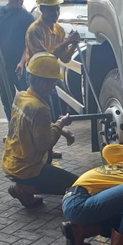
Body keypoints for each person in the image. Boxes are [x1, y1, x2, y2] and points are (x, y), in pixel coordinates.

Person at [2, 52, 78, 208]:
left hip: (12, 162)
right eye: (53, 82)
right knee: (78, 186)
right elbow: (45, 144)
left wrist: (60, 129)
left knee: (50, 158)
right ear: (43, 82)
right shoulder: (40, 108)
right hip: (26, 169)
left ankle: (24, 188)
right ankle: (24, 189)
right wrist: (61, 123)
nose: (54, 86)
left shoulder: (22, 96)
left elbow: (34, 127)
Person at [25, 0, 80, 157]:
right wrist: (66, 43)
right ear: (42, 9)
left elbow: (65, 59)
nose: (55, 14)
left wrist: (73, 45)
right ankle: (44, 151)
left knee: (55, 111)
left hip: (50, 76)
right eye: (51, 10)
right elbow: (44, 59)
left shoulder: (59, 30)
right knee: (42, 113)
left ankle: (48, 150)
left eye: (57, 10)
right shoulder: (34, 30)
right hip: (37, 76)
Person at [0, 0, 34, 121]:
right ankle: (12, 127)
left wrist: (21, 62)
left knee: (27, 97)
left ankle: (27, 126)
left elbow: (29, 43)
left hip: (21, 66)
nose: (19, 2)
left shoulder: (27, 17)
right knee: (6, 98)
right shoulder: (1, 13)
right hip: (3, 67)